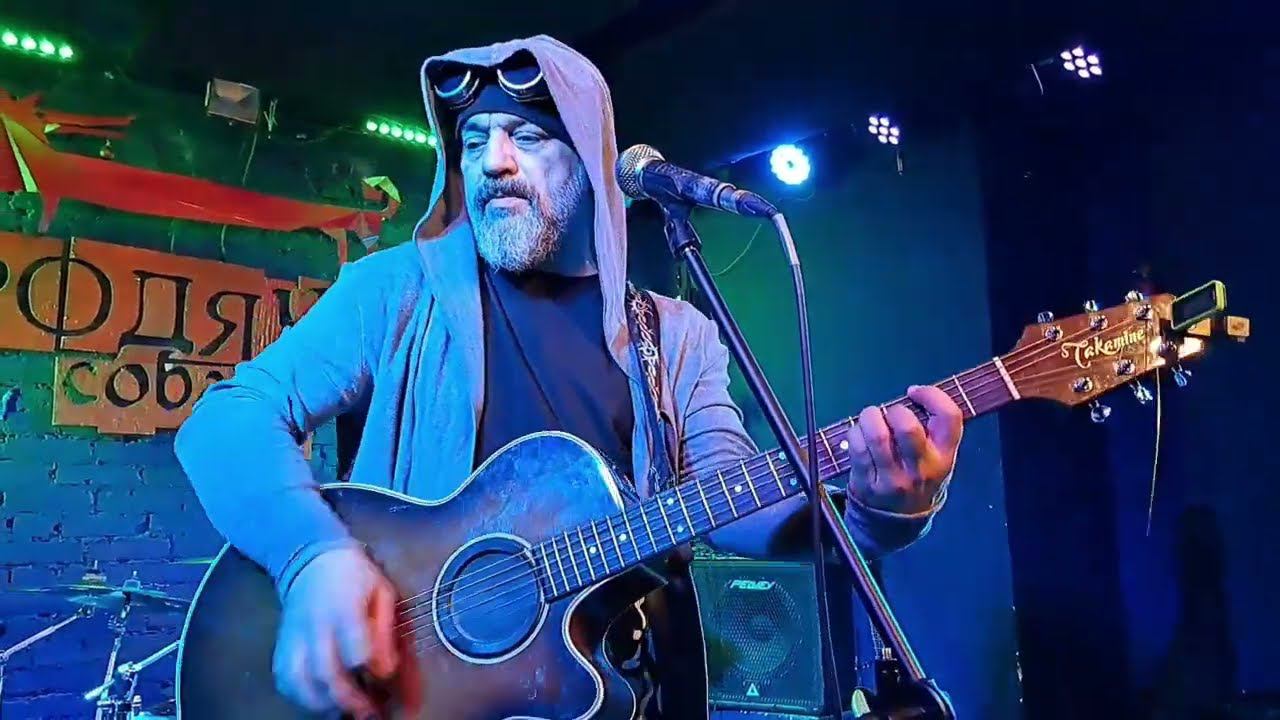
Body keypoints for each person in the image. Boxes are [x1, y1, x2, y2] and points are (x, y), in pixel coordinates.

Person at [174, 35, 964, 720]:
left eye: (526, 135)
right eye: (473, 139)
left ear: (588, 157)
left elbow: (731, 498)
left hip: (617, 693)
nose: (492, 161)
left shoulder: (677, 335)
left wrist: (879, 515)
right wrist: (311, 558)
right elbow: (226, 419)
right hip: (405, 690)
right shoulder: (394, 291)